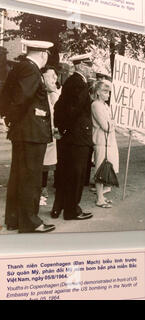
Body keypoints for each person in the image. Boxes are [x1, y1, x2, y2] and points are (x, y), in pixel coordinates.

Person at [0, 40, 56, 233]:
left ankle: (14, 219)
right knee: (30, 179)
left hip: (24, 132)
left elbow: (6, 95)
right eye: (47, 54)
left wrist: (8, 118)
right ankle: (31, 222)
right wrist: (13, 119)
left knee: (18, 176)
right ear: (43, 54)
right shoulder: (32, 70)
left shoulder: (19, 67)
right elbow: (22, 99)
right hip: (31, 133)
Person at [53, 53, 94, 221]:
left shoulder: (71, 82)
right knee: (76, 174)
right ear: (80, 66)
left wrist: (62, 129)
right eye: (88, 65)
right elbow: (73, 110)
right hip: (78, 137)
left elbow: (59, 107)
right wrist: (66, 129)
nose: (91, 69)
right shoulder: (80, 84)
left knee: (64, 172)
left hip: (70, 136)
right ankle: (72, 210)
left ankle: (59, 207)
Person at [91, 80, 119, 208]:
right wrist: (112, 123)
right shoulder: (96, 105)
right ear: (98, 92)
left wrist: (112, 123)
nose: (108, 94)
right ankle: (99, 198)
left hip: (109, 141)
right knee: (100, 169)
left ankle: (102, 195)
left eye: (108, 92)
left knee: (106, 167)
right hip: (101, 141)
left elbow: (111, 123)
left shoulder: (105, 106)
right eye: (105, 91)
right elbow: (106, 125)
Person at [41, 66, 61, 204]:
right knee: (40, 162)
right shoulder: (41, 94)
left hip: (52, 133)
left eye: (56, 76)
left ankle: (42, 187)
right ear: (43, 77)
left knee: (47, 163)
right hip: (42, 134)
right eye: (51, 75)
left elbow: (57, 110)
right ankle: (40, 188)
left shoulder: (53, 93)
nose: (55, 78)